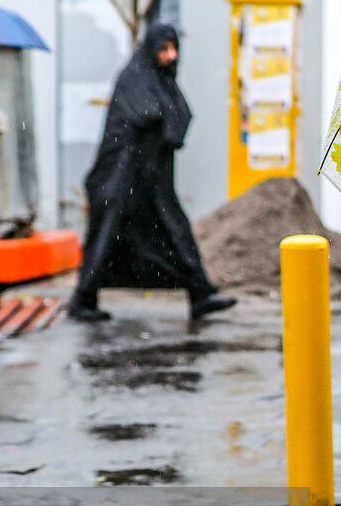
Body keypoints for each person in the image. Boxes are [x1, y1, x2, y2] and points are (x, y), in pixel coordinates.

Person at [70, 24, 235, 322]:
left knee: (175, 233)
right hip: (118, 179)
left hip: (150, 180)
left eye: (174, 49)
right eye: (164, 49)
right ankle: (83, 300)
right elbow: (149, 114)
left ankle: (200, 293)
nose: (171, 56)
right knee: (106, 239)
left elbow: (177, 118)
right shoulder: (135, 77)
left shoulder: (160, 81)